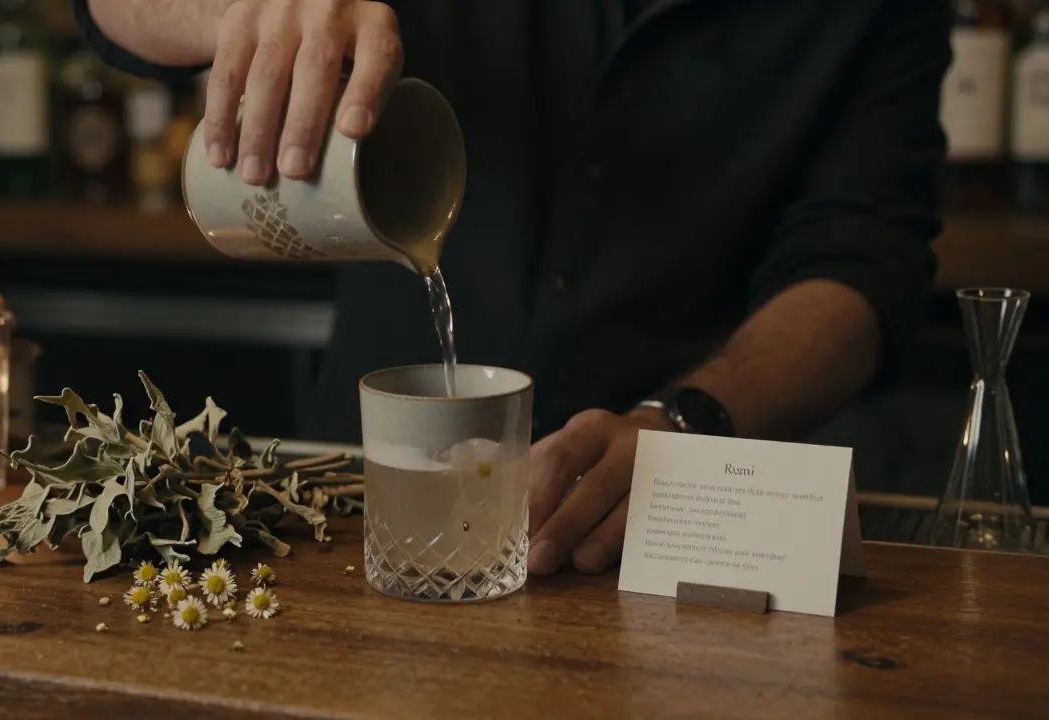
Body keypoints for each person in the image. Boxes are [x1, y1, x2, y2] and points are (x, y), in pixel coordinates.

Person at [76, 0, 952, 577]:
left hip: (656, 536)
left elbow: (860, 258)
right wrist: (248, 11)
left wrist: (690, 423)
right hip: (346, 517)